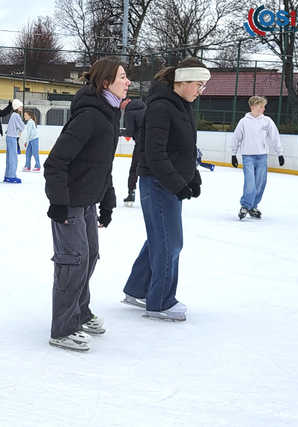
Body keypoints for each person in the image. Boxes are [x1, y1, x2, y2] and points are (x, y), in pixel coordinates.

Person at [44, 58, 130, 351]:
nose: (127, 81)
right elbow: (55, 162)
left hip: (88, 202)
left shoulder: (108, 115)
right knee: (73, 261)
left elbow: (102, 166)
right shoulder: (90, 116)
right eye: (122, 77)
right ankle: (63, 328)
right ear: (105, 83)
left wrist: (107, 202)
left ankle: (79, 311)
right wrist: (58, 203)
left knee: (89, 256)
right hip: (68, 202)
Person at [122, 57, 210, 322]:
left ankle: (137, 290)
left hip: (169, 183)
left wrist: (191, 176)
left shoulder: (182, 105)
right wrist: (178, 184)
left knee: (159, 238)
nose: (200, 90)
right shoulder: (161, 107)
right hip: (159, 184)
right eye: (198, 84)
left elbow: (184, 148)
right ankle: (159, 302)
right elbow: (155, 153)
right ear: (181, 82)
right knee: (170, 243)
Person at [231, 96, 284, 220]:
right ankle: (245, 206)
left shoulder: (267, 121)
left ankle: (253, 206)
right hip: (248, 157)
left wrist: (279, 153)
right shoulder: (244, 121)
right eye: (261, 106)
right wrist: (234, 154)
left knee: (260, 184)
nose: (263, 109)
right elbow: (236, 138)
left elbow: (275, 137)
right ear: (253, 106)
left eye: (264, 106)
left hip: (262, 157)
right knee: (250, 183)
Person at [122, 98, 146, 206]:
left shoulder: (129, 112)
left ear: (127, 100)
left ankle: (131, 193)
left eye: (121, 103)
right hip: (153, 143)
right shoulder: (145, 107)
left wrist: (116, 131)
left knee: (134, 169)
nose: (120, 107)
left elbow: (129, 132)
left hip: (141, 144)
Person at [5, 99, 25, 183]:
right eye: (20, 106)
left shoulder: (13, 115)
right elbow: (22, 126)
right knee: (13, 158)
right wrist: (20, 130)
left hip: (10, 137)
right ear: (17, 107)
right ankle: (11, 176)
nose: (22, 107)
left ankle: (7, 175)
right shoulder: (16, 115)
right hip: (12, 138)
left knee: (9, 157)